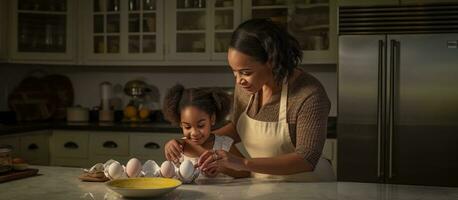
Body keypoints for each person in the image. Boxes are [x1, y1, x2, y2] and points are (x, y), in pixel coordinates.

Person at [165, 18, 335, 181]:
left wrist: (242, 163)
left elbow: (306, 159)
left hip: (310, 186)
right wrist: (190, 142)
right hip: (264, 185)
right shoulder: (246, 87)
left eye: (246, 72)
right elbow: (239, 128)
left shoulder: (308, 94)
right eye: (234, 71)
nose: (239, 80)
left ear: (271, 61)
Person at [162, 84, 250, 178]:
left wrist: (223, 168)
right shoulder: (179, 148)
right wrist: (169, 146)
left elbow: (247, 172)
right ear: (180, 123)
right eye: (187, 127)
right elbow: (171, 175)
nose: (194, 133)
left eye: (201, 125)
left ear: (212, 119)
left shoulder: (225, 144)